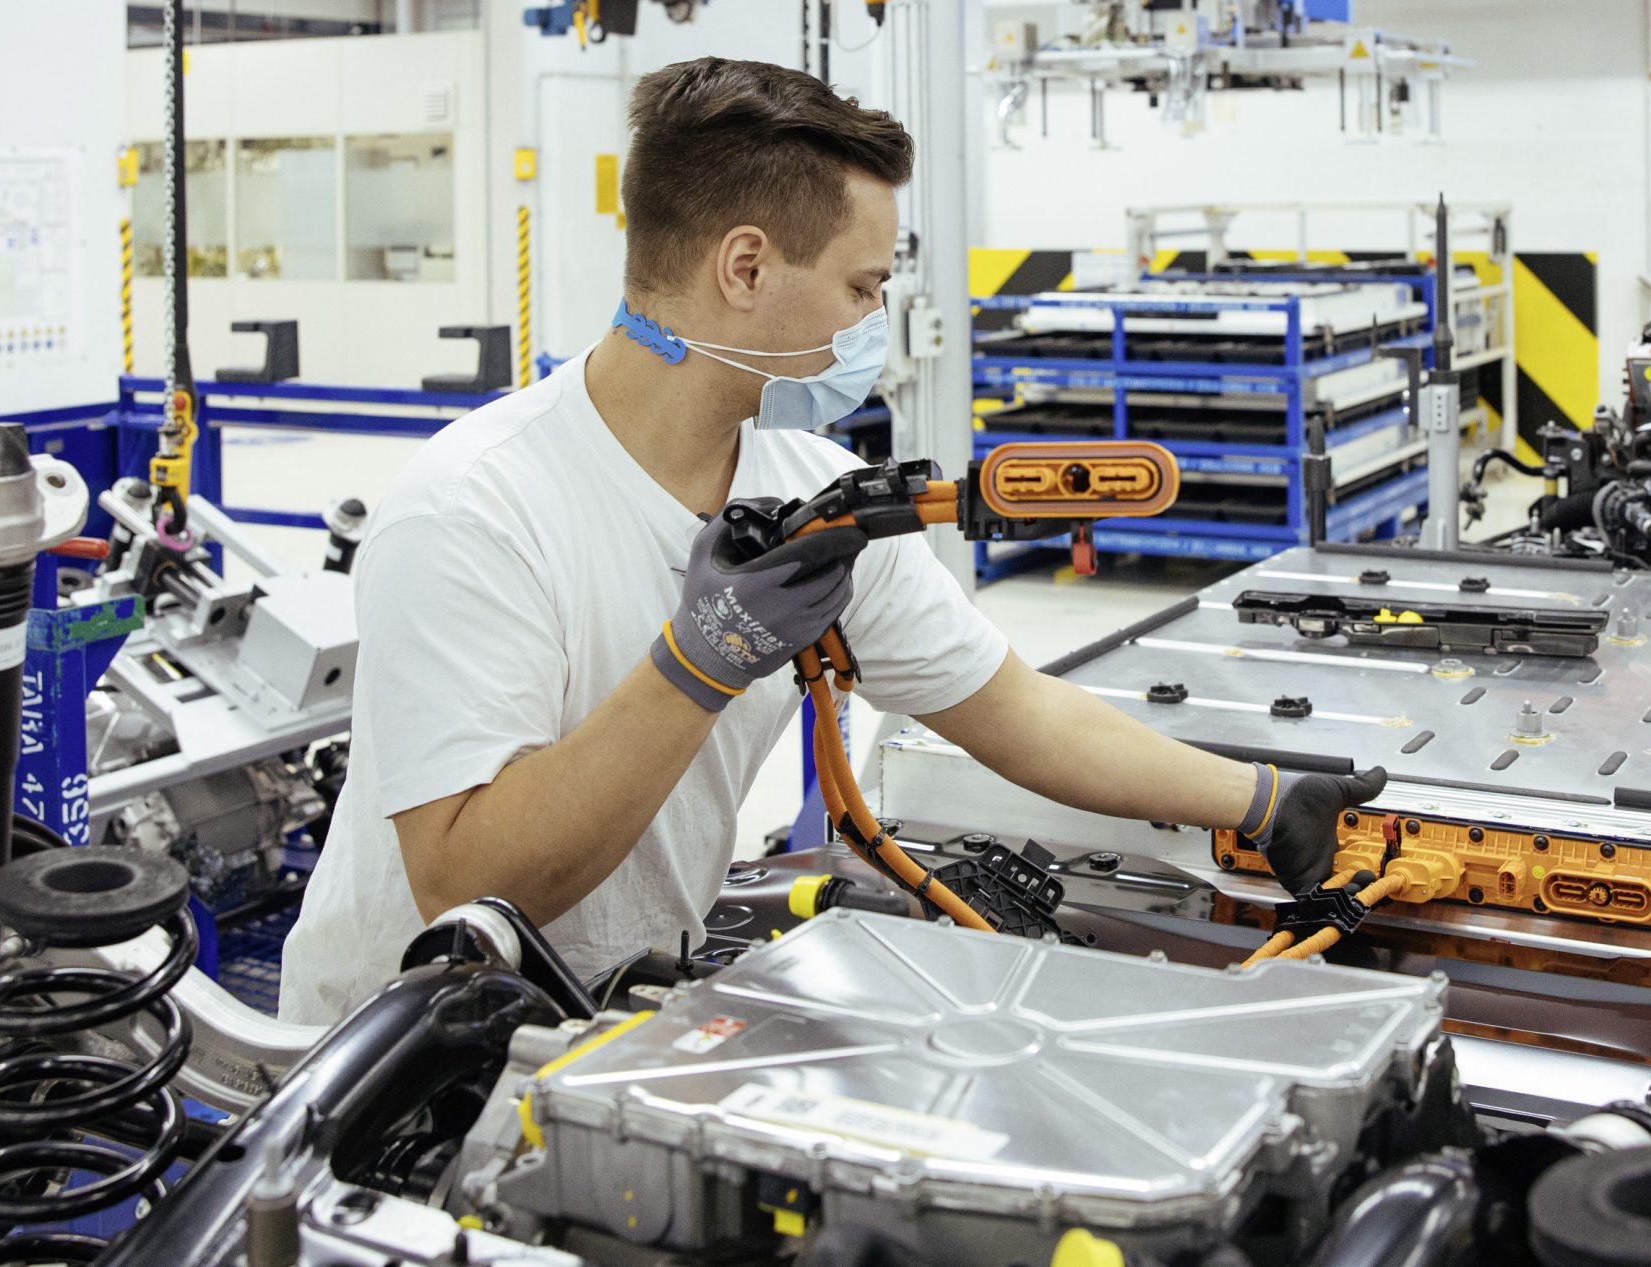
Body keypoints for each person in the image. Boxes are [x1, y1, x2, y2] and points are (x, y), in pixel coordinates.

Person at [279, 57, 1381, 1021]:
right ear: (746, 269)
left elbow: (1014, 710)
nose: (874, 323)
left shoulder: (815, 491)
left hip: (611, 1011)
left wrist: (1259, 797)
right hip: (406, 1048)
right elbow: (468, 879)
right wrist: (697, 661)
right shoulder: (477, 505)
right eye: (862, 286)